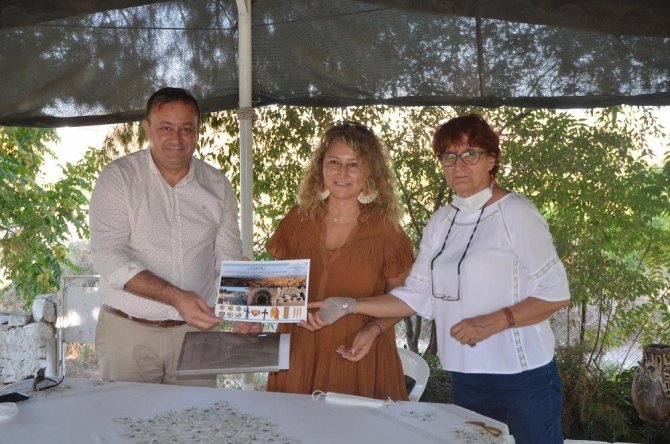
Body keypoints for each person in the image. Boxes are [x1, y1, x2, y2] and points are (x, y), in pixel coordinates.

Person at [303, 114, 570, 443]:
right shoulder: (442, 220)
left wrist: (494, 322)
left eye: (470, 154)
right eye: (449, 156)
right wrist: (348, 305)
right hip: (465, 373)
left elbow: (556, 293)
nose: (459, 165)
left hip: (522, 375)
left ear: (491, 159)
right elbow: (415, 296)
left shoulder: (516, 212)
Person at [89, 87, 244, 386]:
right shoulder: (118, 178)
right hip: (128, 333)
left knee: (197, 416)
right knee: (128, 416)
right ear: (147, 129)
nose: (177, 138)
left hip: (197, 335)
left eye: (186, 128)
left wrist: (243, 312)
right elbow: (109, 257)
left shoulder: (218, 185)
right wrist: (176, 297)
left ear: (198, 131)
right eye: (166, 128)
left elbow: (229, 261)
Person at [266, 121, 414, 400]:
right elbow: (281, 291)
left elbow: (406, 300)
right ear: (320, 168)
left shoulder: (388, 232)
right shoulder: (297, 220)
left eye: (353, 164)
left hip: (357, 354)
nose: (342, 173)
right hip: (298, 353)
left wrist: (373, 330)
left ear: (370, 172)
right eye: (334, 162)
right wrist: (249, 285)